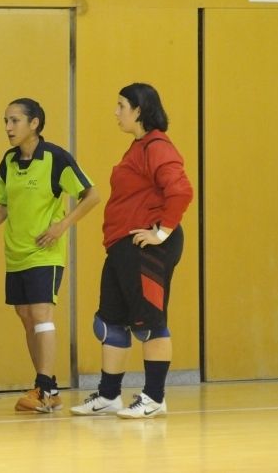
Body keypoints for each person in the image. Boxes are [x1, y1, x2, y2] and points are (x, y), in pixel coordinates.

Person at [70, 83, 192, 419]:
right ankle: (109, 395)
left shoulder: (157, 146)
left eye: (121, 105)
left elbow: (180, 191)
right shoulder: (137, 148)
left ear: (139, 110)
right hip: (123, 246)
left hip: (146, 247)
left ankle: (154, 397)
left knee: (149, 323)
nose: (116, 111)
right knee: (110, 322)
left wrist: (161, 232)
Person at [0, 98, 100, 413]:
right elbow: (3, 204)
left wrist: (63, 225)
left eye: (15, 121)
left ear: (34, 123)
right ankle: (47, 385)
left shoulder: (55, 158)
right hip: (15, 253)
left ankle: (45, 389)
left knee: (41, 315)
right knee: (26, 317)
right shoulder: (8, 161)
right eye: (5, 120)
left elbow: (92, 194)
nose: (8, 127)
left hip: (44, 254)